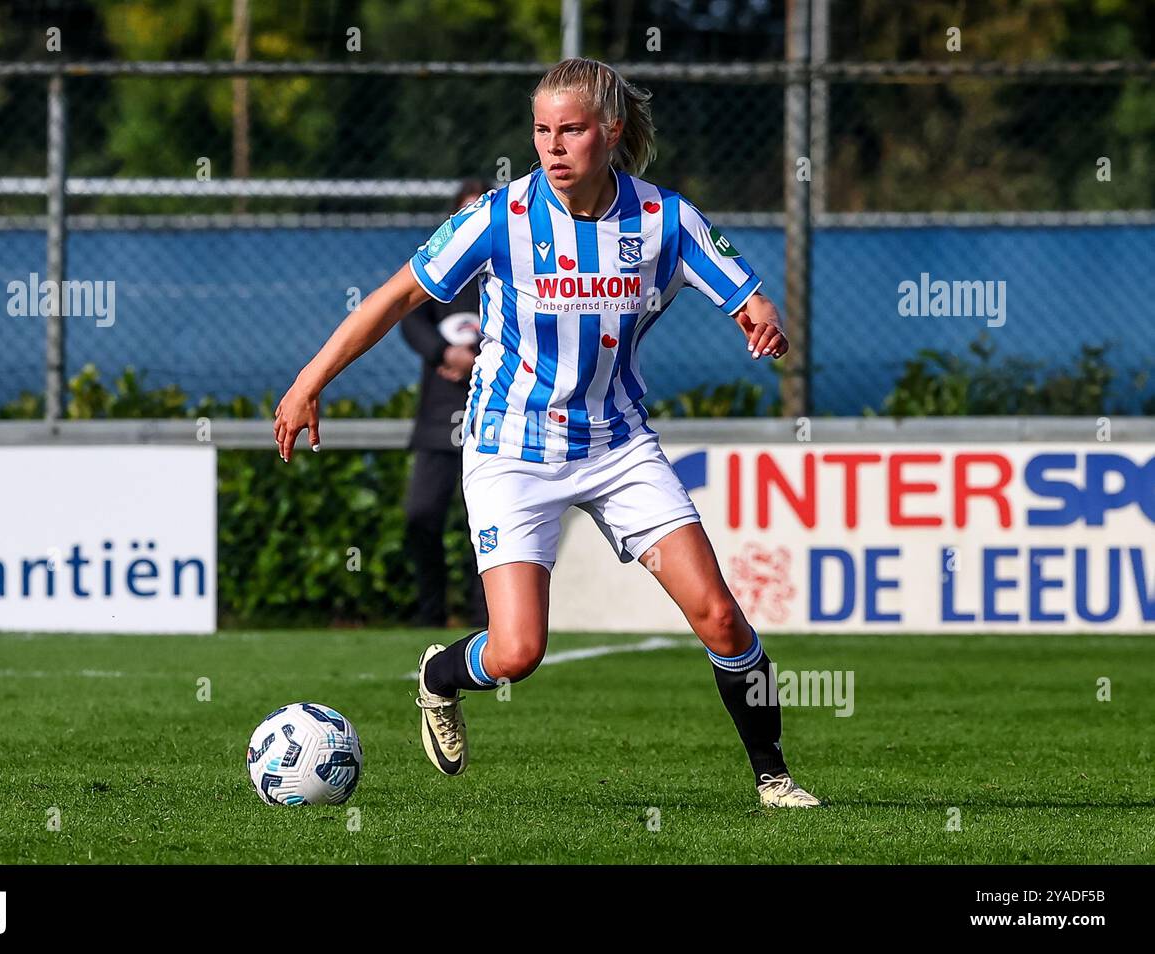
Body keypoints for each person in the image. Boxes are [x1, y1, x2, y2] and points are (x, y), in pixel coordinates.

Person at [274, 57, 821, 808]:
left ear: (612, 131)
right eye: (541, 130)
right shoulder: (500, 217)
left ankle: (774, 778)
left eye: (571, 129)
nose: (553, 146)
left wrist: (758, 315)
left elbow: (746, 291)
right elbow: (397, 296)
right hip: (510, 451)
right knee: (518, 651)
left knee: (721, 617)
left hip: (618, 445)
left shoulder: (662, 217)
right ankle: (440, 678)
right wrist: (308, 383)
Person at [398, 180, 491, 629]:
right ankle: (429, 613)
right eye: (464, 215)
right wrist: (443, 353)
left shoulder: (507, 271)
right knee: (422, 515)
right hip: (438, 418)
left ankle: (486, 621)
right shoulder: (437, 272)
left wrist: (479, 359)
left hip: (491, 417)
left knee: (487, 527)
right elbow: (408, 318)